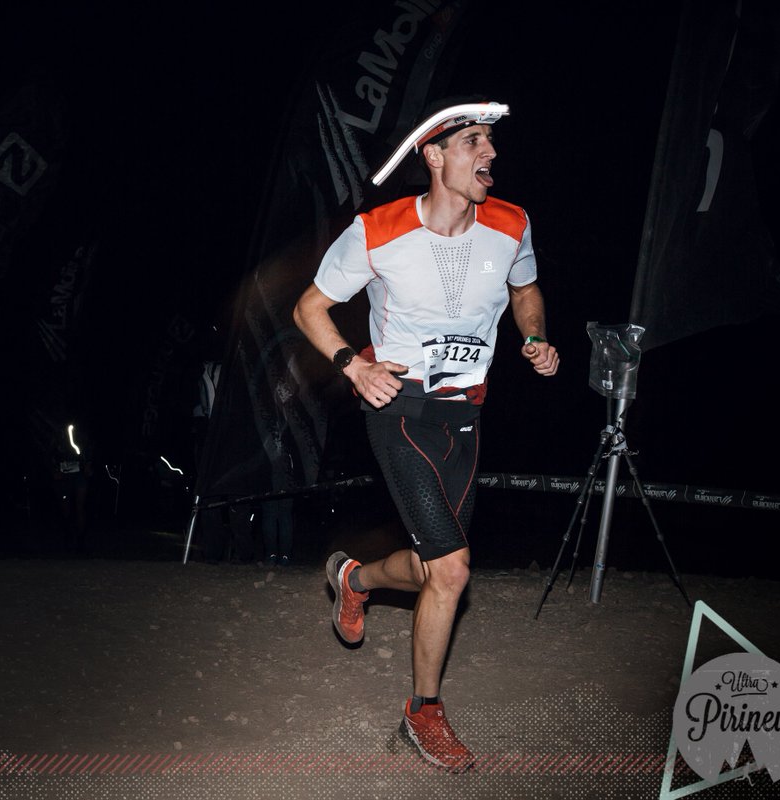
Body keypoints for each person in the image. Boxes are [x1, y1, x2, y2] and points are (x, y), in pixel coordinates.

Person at [292, 96, 559, 769]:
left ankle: (355, 579)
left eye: (490, 142)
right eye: (474, 141)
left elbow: (526, 290)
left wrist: (534, 337)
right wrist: (354, 366)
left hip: (464, 414)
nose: (490, 153)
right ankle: (424, 712)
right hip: (398, 408)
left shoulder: (512, 223)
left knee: (433, 564)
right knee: (453, 567)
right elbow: (310, 308)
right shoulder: (377, 230)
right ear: (434, 156)